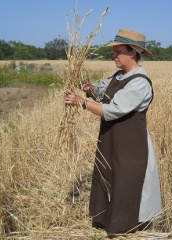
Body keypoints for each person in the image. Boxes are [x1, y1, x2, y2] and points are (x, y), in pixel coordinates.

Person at [64, 29, 162, 237]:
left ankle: (125, 227)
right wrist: (89, 88)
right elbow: (103, 90)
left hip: (131, 144)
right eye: (114, 51)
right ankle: (106, 220)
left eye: (118, 52)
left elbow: (112, 109)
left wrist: (81, 102)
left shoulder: (139, 82)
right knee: (109, 175)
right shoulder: (120, 76)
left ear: (133, 52)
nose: (114, 56)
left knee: (127, 179)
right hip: (112, 138)